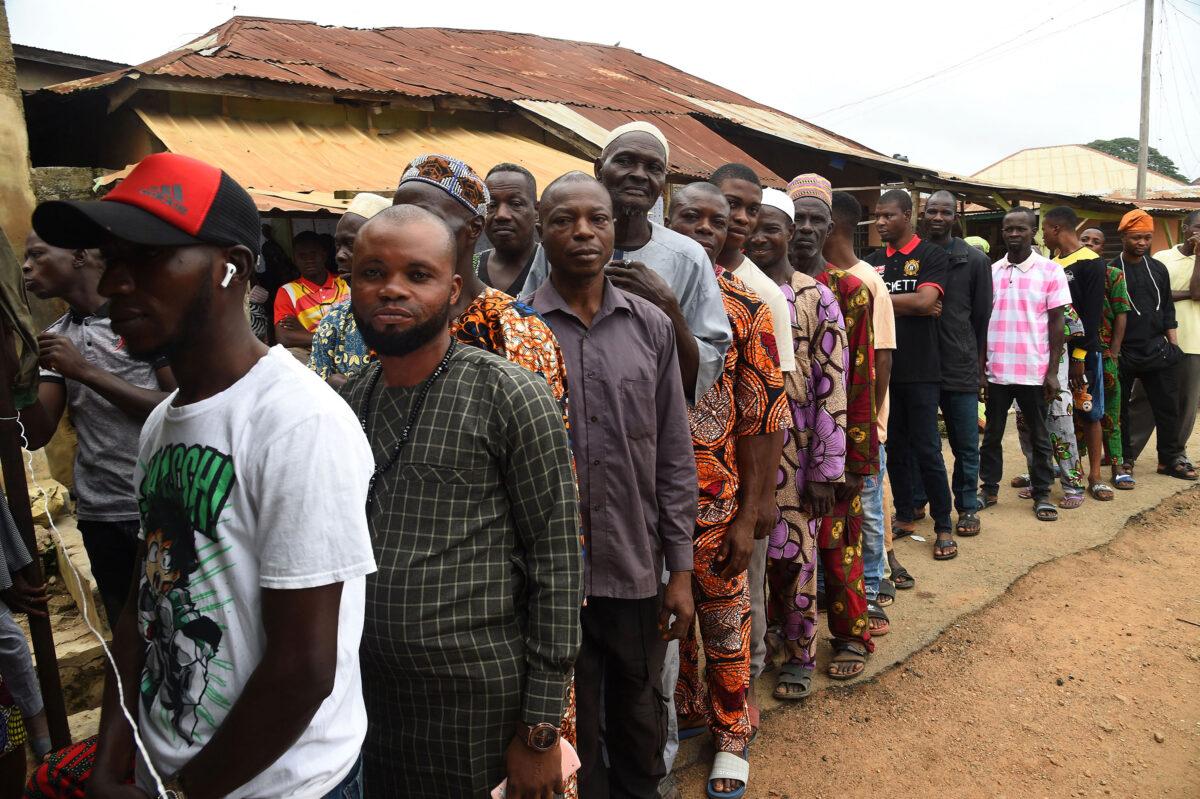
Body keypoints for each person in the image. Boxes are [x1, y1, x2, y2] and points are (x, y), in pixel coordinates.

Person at [32, 151, 376, 798]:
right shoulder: (163, 422)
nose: (115, 285)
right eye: (112, 260)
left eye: (149, 256)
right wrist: (115, 756)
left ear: (232, 269)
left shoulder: (298, 423)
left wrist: (191, 790)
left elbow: (304, 667)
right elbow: (144, 601)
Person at [343, 204, 580, 797]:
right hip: (368, 705)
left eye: (417, 275)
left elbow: (558, 560)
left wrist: (540, 731)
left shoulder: (507, 393)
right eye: (374, 272)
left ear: (452, 291)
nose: (391, 289)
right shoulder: (345, 403)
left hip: (480, 708)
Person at [530, 172, 696, 798]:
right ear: (542, 231)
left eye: (596, 219)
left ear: (615, 229)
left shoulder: (651, 325)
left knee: (637, 716)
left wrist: (678, 573)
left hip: (632, 566)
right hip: (550, 578)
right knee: (573, 732)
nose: (581, 232)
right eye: (564, 219)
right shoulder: (518, 333)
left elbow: (674, 457)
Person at [666, 182, 789, 796]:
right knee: (665, 621)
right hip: (640, 506)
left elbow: (764, 413)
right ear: (669, 219)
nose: (705, 229)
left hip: (715, 501)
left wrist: (753, 511)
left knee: (723, 618)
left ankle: (734, 732)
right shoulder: (622, 287)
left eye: (717, 221)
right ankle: (687, 710)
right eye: (691, 216)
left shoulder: (745, 303)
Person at [19, 233, 175, 627]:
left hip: (159, 503)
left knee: (174, 629)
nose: (25, 267)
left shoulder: (144, 318)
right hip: (99, 512)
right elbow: (35, 434)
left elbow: (182, 405)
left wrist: (85, 372)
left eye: (37, 254)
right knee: (127, 631)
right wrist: (13, 375)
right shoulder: (56, 338)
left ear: (79, 255)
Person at [522, 122, 732, 402]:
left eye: (653, 168)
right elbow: (525, 331)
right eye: (625, 161)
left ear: (662, 182)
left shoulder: (689, 256)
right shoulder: (561, 245)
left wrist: (666, 306)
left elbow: (704, 367)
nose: (639, 175)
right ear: (599, 169)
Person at [744, 185, 849, 695]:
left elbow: (833, 384)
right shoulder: (731, 287)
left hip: (798, 449)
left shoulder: (815, 296)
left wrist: (827, 470)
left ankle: (800, 654)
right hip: (743, 445)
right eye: (752, 226)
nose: (760, 237)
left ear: (790, 234)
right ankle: (748, 650)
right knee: (744, 560)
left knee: (794, 558)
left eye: (771, 228)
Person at [705, 163, 794, 721]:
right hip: (684, 477)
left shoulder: (762, 294)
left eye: (748, 209)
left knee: (744, 587)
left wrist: (760, 498)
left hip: (740, 474)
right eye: (727, 206)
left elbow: (773, 403)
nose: (738, 219)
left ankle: (748, 687)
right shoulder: (676, 273)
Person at [784, 176, 877, 671]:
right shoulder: (762, 286)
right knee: (782, 550)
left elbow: (860, 377)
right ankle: (786, 635)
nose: (803, 229)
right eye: (795, 218)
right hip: (777, 445)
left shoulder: (849, 292)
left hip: (833, 441)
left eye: (814, 220)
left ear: (830, 228)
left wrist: (855, 459)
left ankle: (851, 636)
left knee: (840, 543)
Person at [393, 155, 568, 416]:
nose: (404, 229)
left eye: (425, 217)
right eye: (397, 216)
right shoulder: (385, 315)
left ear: (474, 228)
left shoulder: (517, 327)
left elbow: (543, 443)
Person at [825, 191, 911, 602]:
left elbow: (883, 358)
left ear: (830, 226)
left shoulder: (868, 281)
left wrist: (872, 423)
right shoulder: (817, 279)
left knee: (871, 508)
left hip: (864, 425)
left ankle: (873, 585)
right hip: (830, 424)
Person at [865, 190, 955, 559]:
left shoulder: (932, 256)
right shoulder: (871, 263)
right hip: (883, 367)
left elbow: (926, 300)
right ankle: (904, 515)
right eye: (877, 216)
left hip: (921, 369)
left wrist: (881, 300)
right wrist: (912, 304)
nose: (880, 223)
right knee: (894, 445)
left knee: (928, 448)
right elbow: (916, 303)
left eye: (887, 216)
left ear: (907, 215)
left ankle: (944, 525)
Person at [979, 208, 1072, 522]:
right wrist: (981, 368)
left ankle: (1043, 493)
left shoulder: (1050, 271)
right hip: (997, 370)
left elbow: (1058, 324)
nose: (1014, 234)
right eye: (1009, 229)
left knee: (1039, 435)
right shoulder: (992, 271)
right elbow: (981, 322)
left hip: (1033, 370)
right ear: (1002, 232)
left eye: (1021, 229)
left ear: (1033, 232)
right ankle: (989, 489)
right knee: (991, 435)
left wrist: (1052, 371)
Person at [916, 190, 992, 534]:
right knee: (922, 441)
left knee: (964, 442)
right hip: (920, 364)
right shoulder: (913, 255)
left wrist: (979, 368)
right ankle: (917, 501)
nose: (938, 218)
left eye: (945, 212)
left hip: (959, 363)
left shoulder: (973, 260)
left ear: (955, 217)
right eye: (932, 211)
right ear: (923, 213)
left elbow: (981, 318)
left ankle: (967, 506)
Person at [1114, 209, 1192, 481]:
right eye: (1136, 238)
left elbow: (1167, 310)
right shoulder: (1111, 270)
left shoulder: (1158, 268)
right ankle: (1124, 461)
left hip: (1159, 350)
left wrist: (1173, 348)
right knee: (1120, 409)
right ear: (1123, 235)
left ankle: (1169, 460)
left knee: (1168, 407)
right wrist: (1112, 353)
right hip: (1123, 353)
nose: (1142, 243)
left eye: (1147, 238)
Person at [1042, 207, 1112, 500]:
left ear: (1057, 229)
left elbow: (1093, 315)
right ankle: (1063, 471)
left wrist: (1080, 358)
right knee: (1056, 415)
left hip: (1082, 354)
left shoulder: (1091, 263)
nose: (1042, 235)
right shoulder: (1053, 262)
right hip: (1054, 353)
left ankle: (1095, 475)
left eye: (1044, 229)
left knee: (1088, 412)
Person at [1132, 210, 1200, 472]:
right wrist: (1178, 296)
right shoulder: (1162, 258)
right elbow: (1153, 294)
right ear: (1185, 228)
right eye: (1197, 228)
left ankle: (1174, 455)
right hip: (1157, 340)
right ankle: (1128, 451)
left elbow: (1197, 291)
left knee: (1184, 403)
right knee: (1143, 398)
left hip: (1192, 342)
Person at [309, 193, 391, 388]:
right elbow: (313, 392)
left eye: (351, 244)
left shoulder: (415, 317)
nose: (339, 256)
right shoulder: (335, 320)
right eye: (338, 245)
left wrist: (349, 389)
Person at [274, 230, 347, 361]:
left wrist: (305, 333)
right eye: (302, 256)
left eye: (313, 254)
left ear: (324, 255)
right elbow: (284, 337)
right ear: (295, 260)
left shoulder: (345, 283)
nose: (309, 260)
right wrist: (332, 338)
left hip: (349, 348)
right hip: (312, 353)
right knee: (285, 357)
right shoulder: (287, 291)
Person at [478, 163, 541, 295]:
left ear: (537, 211)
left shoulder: (554, 269)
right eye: (492, 205)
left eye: (515, 204)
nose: (501, 215)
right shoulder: (467, 269)